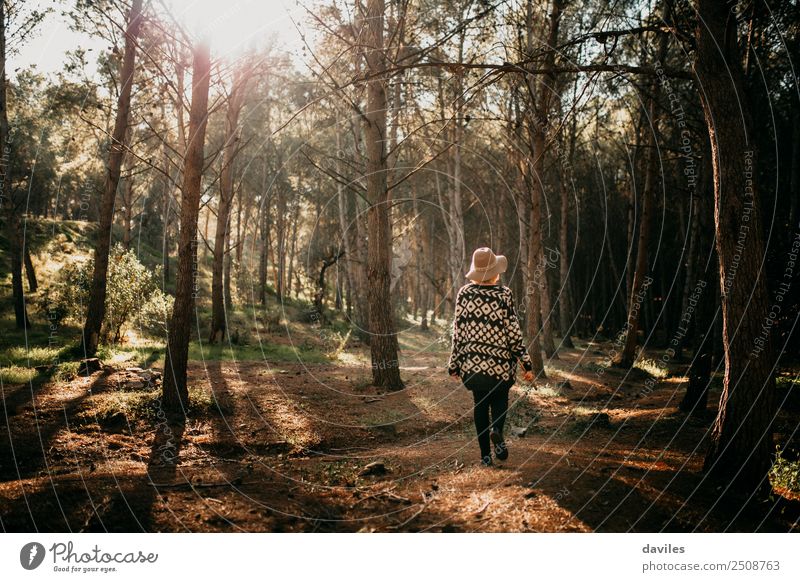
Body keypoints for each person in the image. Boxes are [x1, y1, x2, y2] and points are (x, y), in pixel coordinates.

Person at [447, 247, 535, 466]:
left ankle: (485, 457)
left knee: (479, 404)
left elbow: (458, 332)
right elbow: (513, 332)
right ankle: (497, 430)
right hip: (500, 366)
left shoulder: (464, 294)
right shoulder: (503, 294)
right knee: (499, 400)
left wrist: (454, 364)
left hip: (472, 366)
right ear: (495, 272)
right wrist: (525, 363)